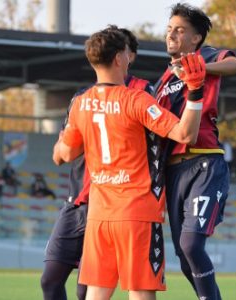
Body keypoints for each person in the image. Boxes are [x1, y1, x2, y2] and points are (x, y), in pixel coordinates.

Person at [57, 25, 205, 300]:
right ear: (118, 59)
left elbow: (65, 153)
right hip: (136, 213)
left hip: (100, 216)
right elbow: (186, 134)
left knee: (96, 294)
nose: (129, 57)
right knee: (140, 293)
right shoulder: (136, 100)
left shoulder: (81, 103)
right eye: (126, 51)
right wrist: (195, 92)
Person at [40, 27, 153, 300]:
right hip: (79, 199)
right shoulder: (83, 97)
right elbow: (63, 153)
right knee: (50, 279)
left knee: (88, 288)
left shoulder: (143, 93)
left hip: (117, 202)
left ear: (129, 56)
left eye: (124, 48)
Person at [154, 3, 236, 300]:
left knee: (192, 245)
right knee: (184, 256)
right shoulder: (162, 81)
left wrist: (201, 69)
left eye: (179, 30)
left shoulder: (205, 56)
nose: (172, 35)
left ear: (195, 38)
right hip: (173, 170)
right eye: (170, 29)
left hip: (204, 161)